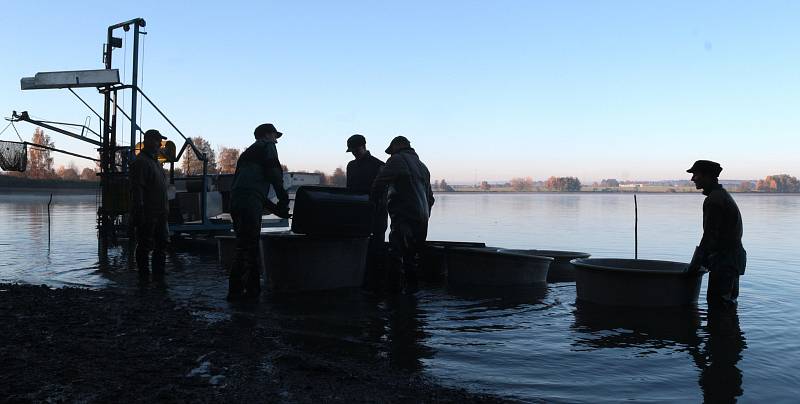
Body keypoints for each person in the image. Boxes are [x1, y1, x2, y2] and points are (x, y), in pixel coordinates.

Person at [227, 123, 290, 302]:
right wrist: (283, 200)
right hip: (249, 203)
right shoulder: (267, 147)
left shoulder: (246, 154)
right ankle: (245, 291)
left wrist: (275, 209)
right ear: (266, 135)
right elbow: (274, 175)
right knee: (249, 246)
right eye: (274, 136)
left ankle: (245, 289)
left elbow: (252, 190)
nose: (276, 140)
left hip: (236, 202)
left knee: (243, 244)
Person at [371, 136, 434, 294]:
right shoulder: (423, 167)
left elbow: (379, 183)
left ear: (397, 148)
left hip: (404, 216)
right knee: (411, 258)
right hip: (422, 219)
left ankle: (393, 296)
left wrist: (373, 203)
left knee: (396, 256)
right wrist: (424, 216)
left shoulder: (397, 160)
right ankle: (413, 297)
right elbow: (431, 199)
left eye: (391, 152)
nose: (390, 156)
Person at [686, 160, 746, 309]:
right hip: (731, 260)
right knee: (728, 306)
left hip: (725, 262)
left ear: (707, 176)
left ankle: (721, 332)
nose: (692, 178)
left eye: (695, 174)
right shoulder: (722, 195)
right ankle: (729, 332)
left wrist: (693, 267)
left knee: (719, 307)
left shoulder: (714, 200)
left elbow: (710, 236)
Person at [345, 134, 388, 289]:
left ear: (363, 146)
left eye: (355, 149)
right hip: (358, 212)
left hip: (377, 212)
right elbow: (349, 190)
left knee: (377, 245)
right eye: (351, 151)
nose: (354, 153)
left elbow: (384, 191)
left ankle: (375, 278)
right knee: (359, 244)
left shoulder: (380, 165)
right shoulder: (351, 166)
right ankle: (364, 277)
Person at [130, 129, 169, 281]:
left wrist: (166, 210)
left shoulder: (156, 163)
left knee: (162, 243)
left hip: (161, 213)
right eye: (157, 140)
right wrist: (139, 212)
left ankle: (159, 275)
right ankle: (144, 277)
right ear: (148, 141)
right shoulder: (140, 162)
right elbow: (137, 189)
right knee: (145, 245)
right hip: (148, 212)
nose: (160, 144)